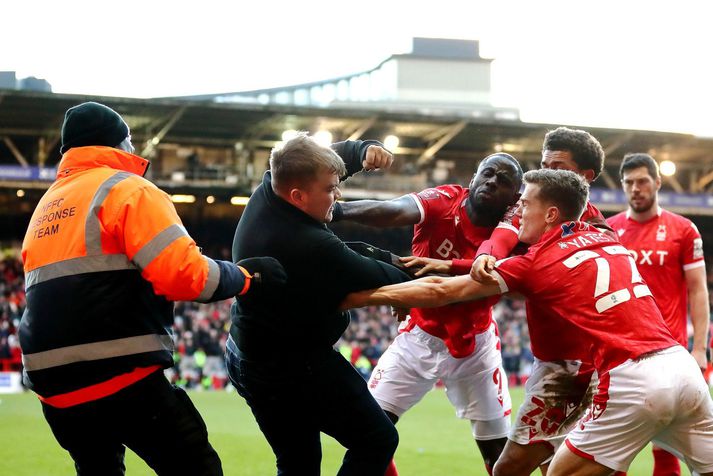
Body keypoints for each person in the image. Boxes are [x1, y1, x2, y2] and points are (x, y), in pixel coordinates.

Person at [342, 169, 713, 476]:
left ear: (550, 214)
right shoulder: (605, 234)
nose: (516, 212)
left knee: (556, 474)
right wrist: (453, 262)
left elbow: (442, 291)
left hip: (633, 380)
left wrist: (360, 296)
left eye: (525, 205)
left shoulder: (538, 261)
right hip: (683, 369)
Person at [19, 101, 286, 476]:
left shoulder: (46, 206)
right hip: (119, 372)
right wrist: (243, 278)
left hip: (54, 389)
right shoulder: (127, 189)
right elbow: (186, 275)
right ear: (120, 143)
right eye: (130, 142)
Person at [226, 132, 412, 475]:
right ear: (297, 196)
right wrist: (422, 280)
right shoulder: (304, 244)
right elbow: (381, 277)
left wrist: (360, 151)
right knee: (376, 438)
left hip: (249, 354)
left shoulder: (272, 186)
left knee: (299, 463)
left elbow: (312, 159)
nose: (337, 195)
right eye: (330, 189)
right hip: (291, 366)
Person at [332, 152, 523, 475]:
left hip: (475, 346)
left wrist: (428, 278)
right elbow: (393, 210)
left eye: (503, 181)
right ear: (473, 178)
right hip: (419, 336)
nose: (492, 181)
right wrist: (334, 210)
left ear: (514, 197)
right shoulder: (445, 200)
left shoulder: (513, 225)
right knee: (367, 432)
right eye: (487, 173)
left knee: (497, 453)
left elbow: (496, 266)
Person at [471, 126, 612, 476]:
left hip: (587, 365)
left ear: (585, 176)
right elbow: (500, 237)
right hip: (553, 361)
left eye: (558, 165)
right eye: (544, 163)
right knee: (549, 465)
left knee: (524, 468)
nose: (548, 171)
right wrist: (485, 256)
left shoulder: (598, 229)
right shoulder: (531, 206)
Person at [607, 152, 710, 476]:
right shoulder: (609, 232)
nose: (635, 189)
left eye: (642, 181)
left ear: (657, 183)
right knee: (611, 454)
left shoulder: (684, 230)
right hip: (620, 356)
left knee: (666, 451)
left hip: (671, 353)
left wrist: (698, 348)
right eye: (629, 183)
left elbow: (697, 289)